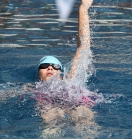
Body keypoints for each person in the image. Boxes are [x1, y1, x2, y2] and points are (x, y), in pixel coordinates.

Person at [33, 0, 99, 138]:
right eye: (45, 66)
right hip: (49, 105)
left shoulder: (69, 78)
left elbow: (83, 47)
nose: (50, 67)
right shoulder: (30, 87)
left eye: (55, 66)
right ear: (38, 72)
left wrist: (83, 8)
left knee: (84, 120)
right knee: (51, 119)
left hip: (77, 103)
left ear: (61, 71)